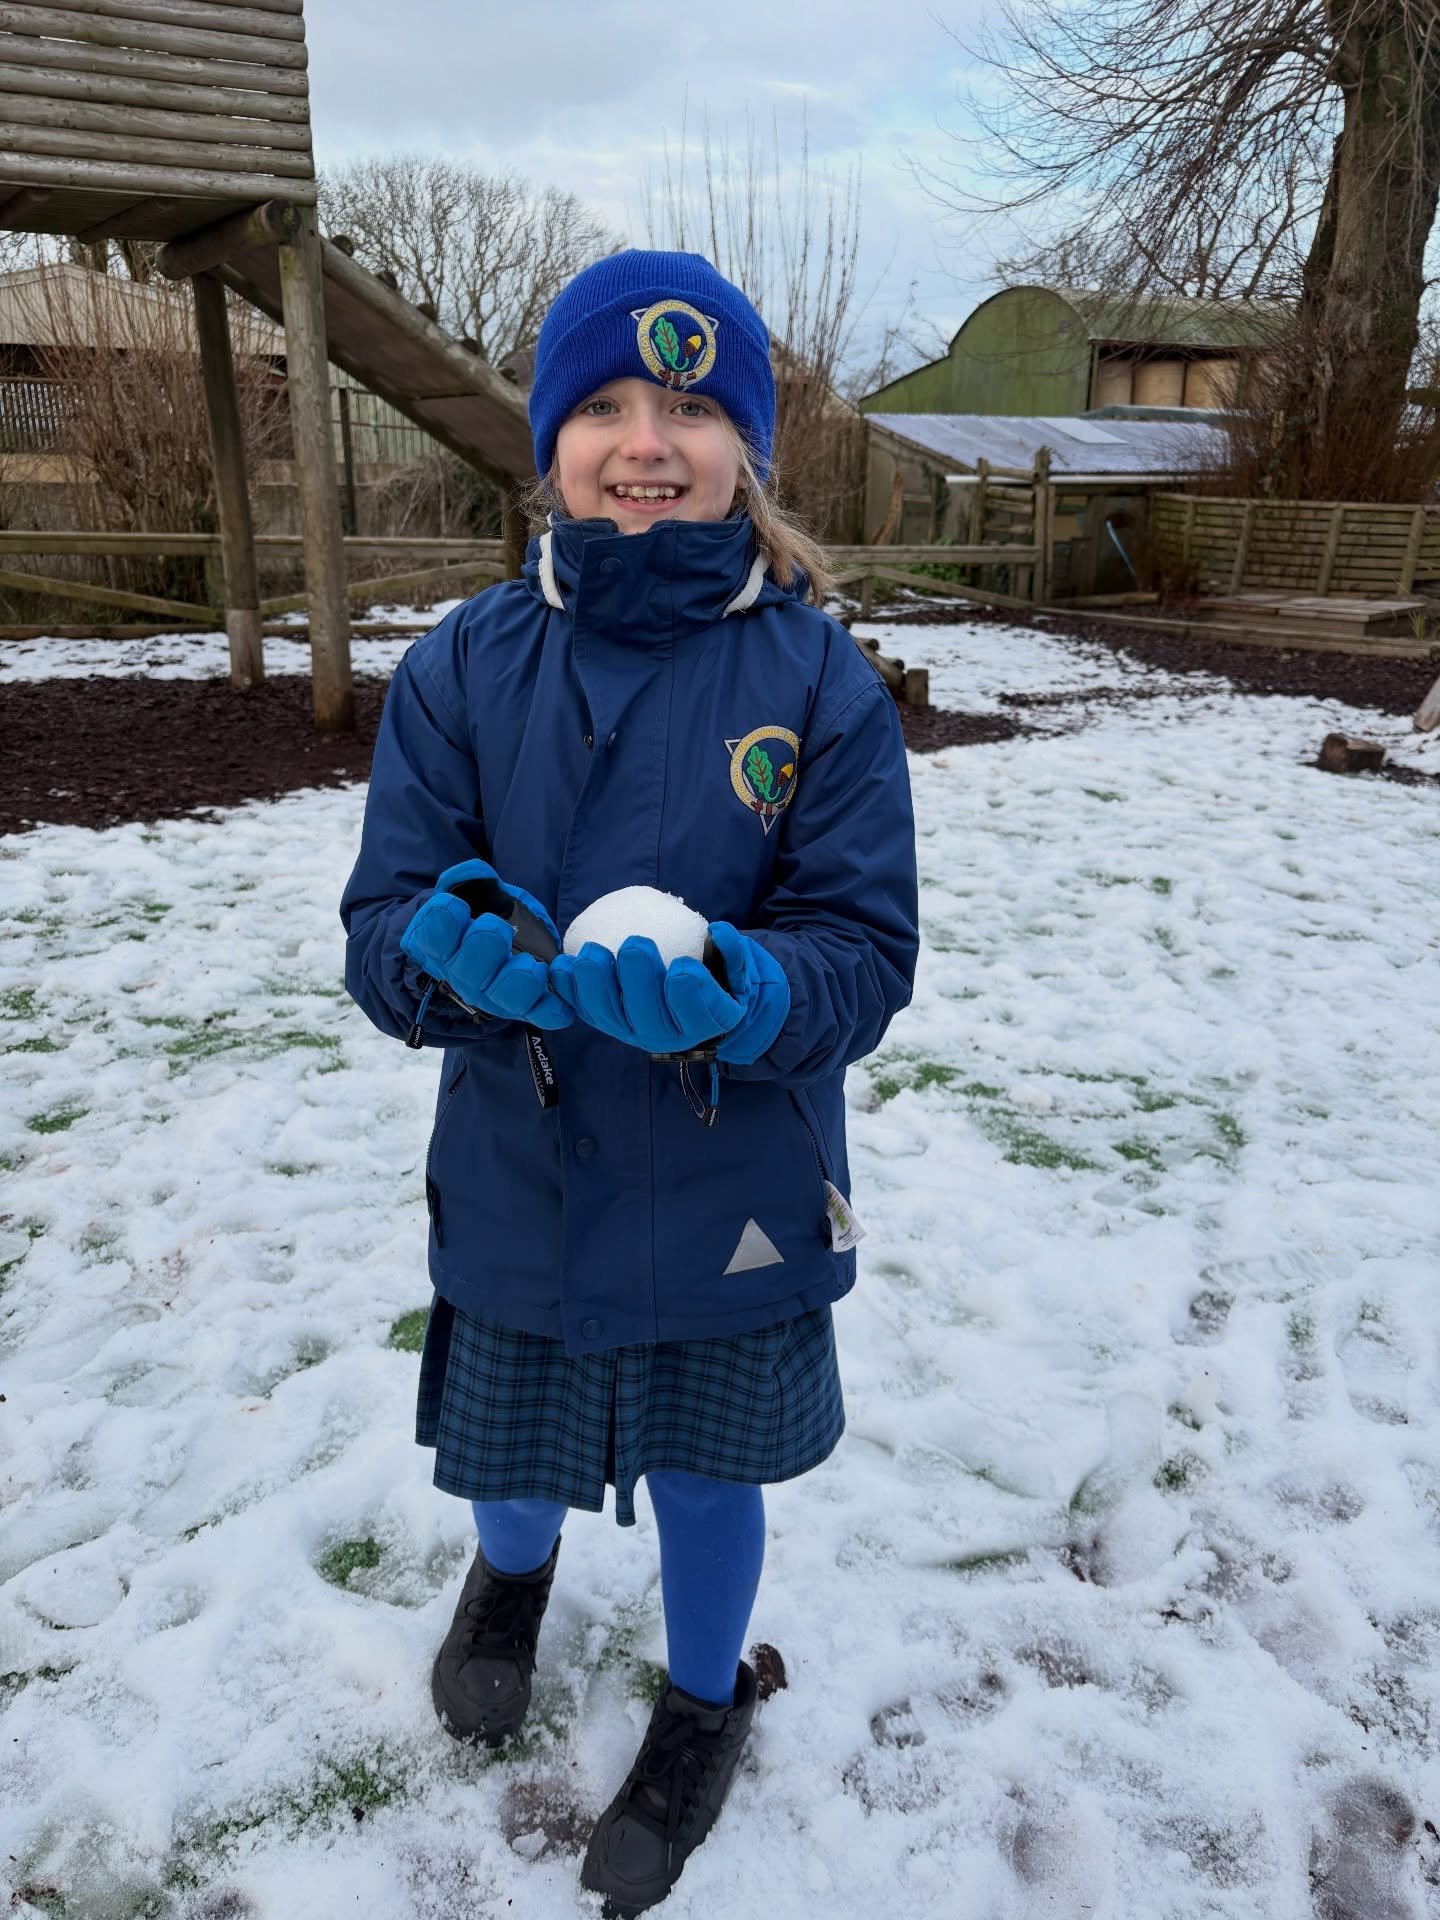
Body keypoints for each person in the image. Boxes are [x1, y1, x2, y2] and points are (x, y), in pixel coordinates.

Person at [340, 249, 918, 1914]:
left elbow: (863, 954)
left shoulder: (817, 681)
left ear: (748, 447)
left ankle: (701, 1692)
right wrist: (446, 960)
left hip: (733, 1191)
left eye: (690, 405)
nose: (644, 440)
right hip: (520, 1167)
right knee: (513, 1451)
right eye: (601, 403)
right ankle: (507, 1585)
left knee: (704, 1470)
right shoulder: (463, 665)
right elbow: (383, 920)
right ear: (546, 443)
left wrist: (747, 989)